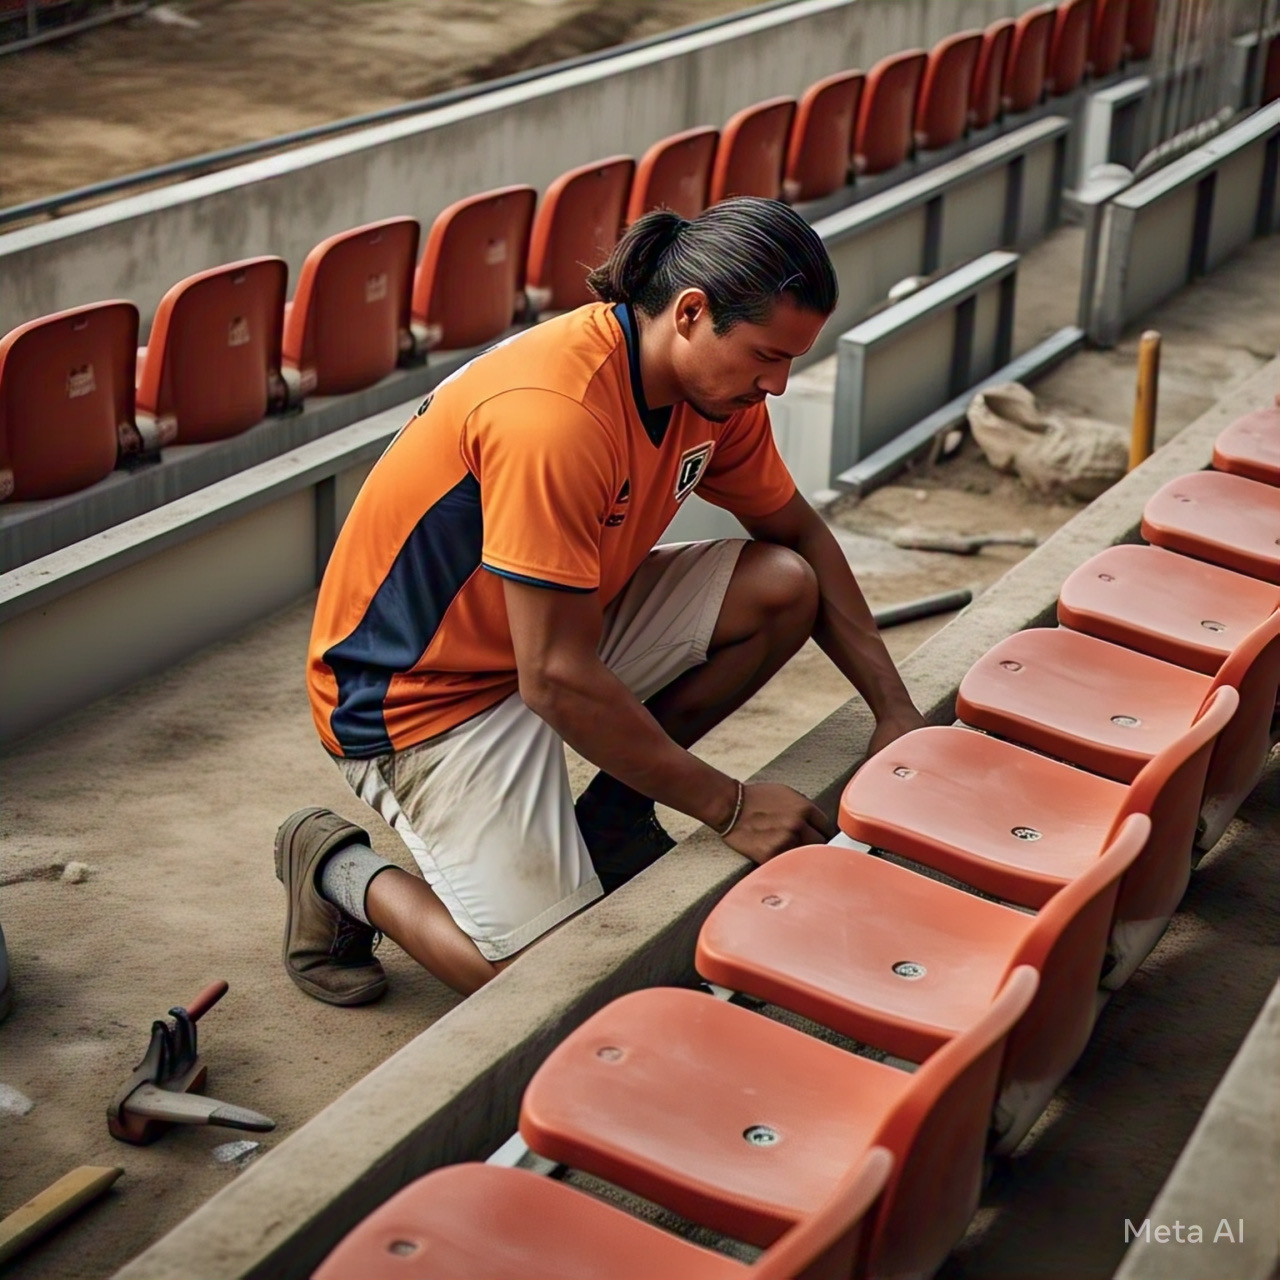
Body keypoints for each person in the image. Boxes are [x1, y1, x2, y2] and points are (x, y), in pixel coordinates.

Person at [276, 196, 925, 1004]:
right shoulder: (558, 416)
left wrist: (894, 709)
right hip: (418, 695)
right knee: (547, 987)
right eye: (767, 355)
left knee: (783, 587)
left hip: (548, 637)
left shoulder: (716, 395)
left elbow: (800, 537)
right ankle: (337, 870)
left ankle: (612, 821)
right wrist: (729, 807)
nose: (780, 384)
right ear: (691, 313)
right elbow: (552, 679)